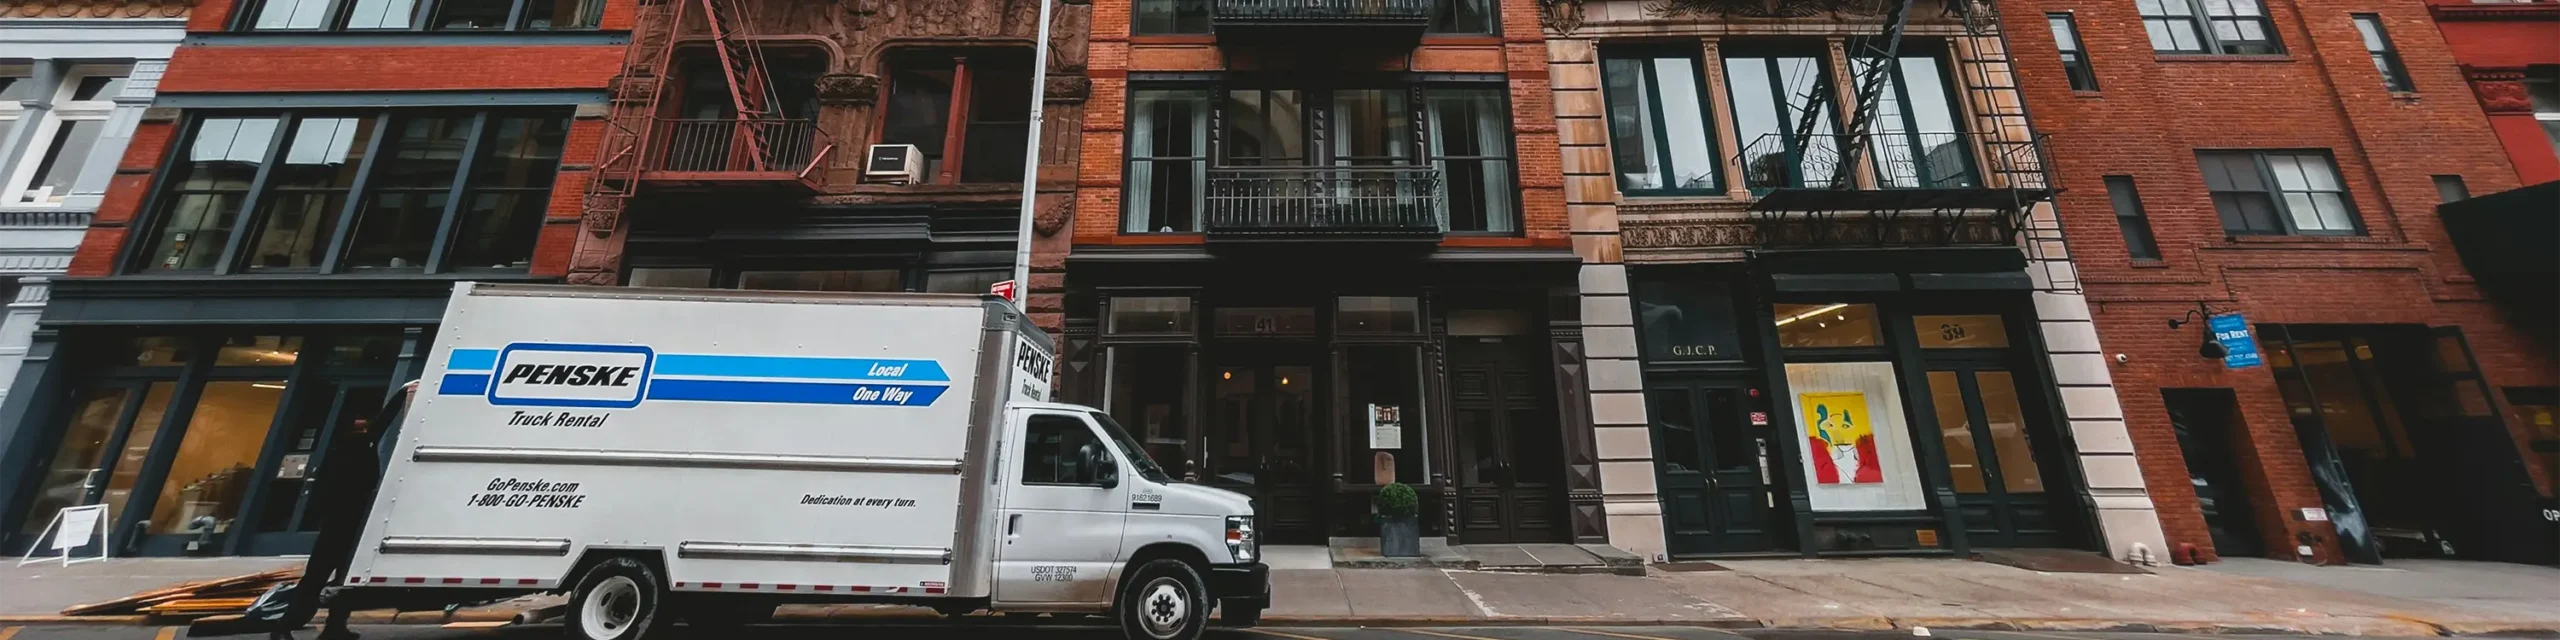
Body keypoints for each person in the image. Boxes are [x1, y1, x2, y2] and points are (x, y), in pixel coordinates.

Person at [191, 381, 415, 640]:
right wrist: (400, 394)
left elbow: (379, 426)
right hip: (341, 525)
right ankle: (286, 626)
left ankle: (332, 628)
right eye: (359, 423)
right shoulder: (350, 451)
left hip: (346, 524)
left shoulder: (350, 449)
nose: (364, 426)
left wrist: (401, 394)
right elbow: (379, 428)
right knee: (321, 581)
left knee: (341, 581)